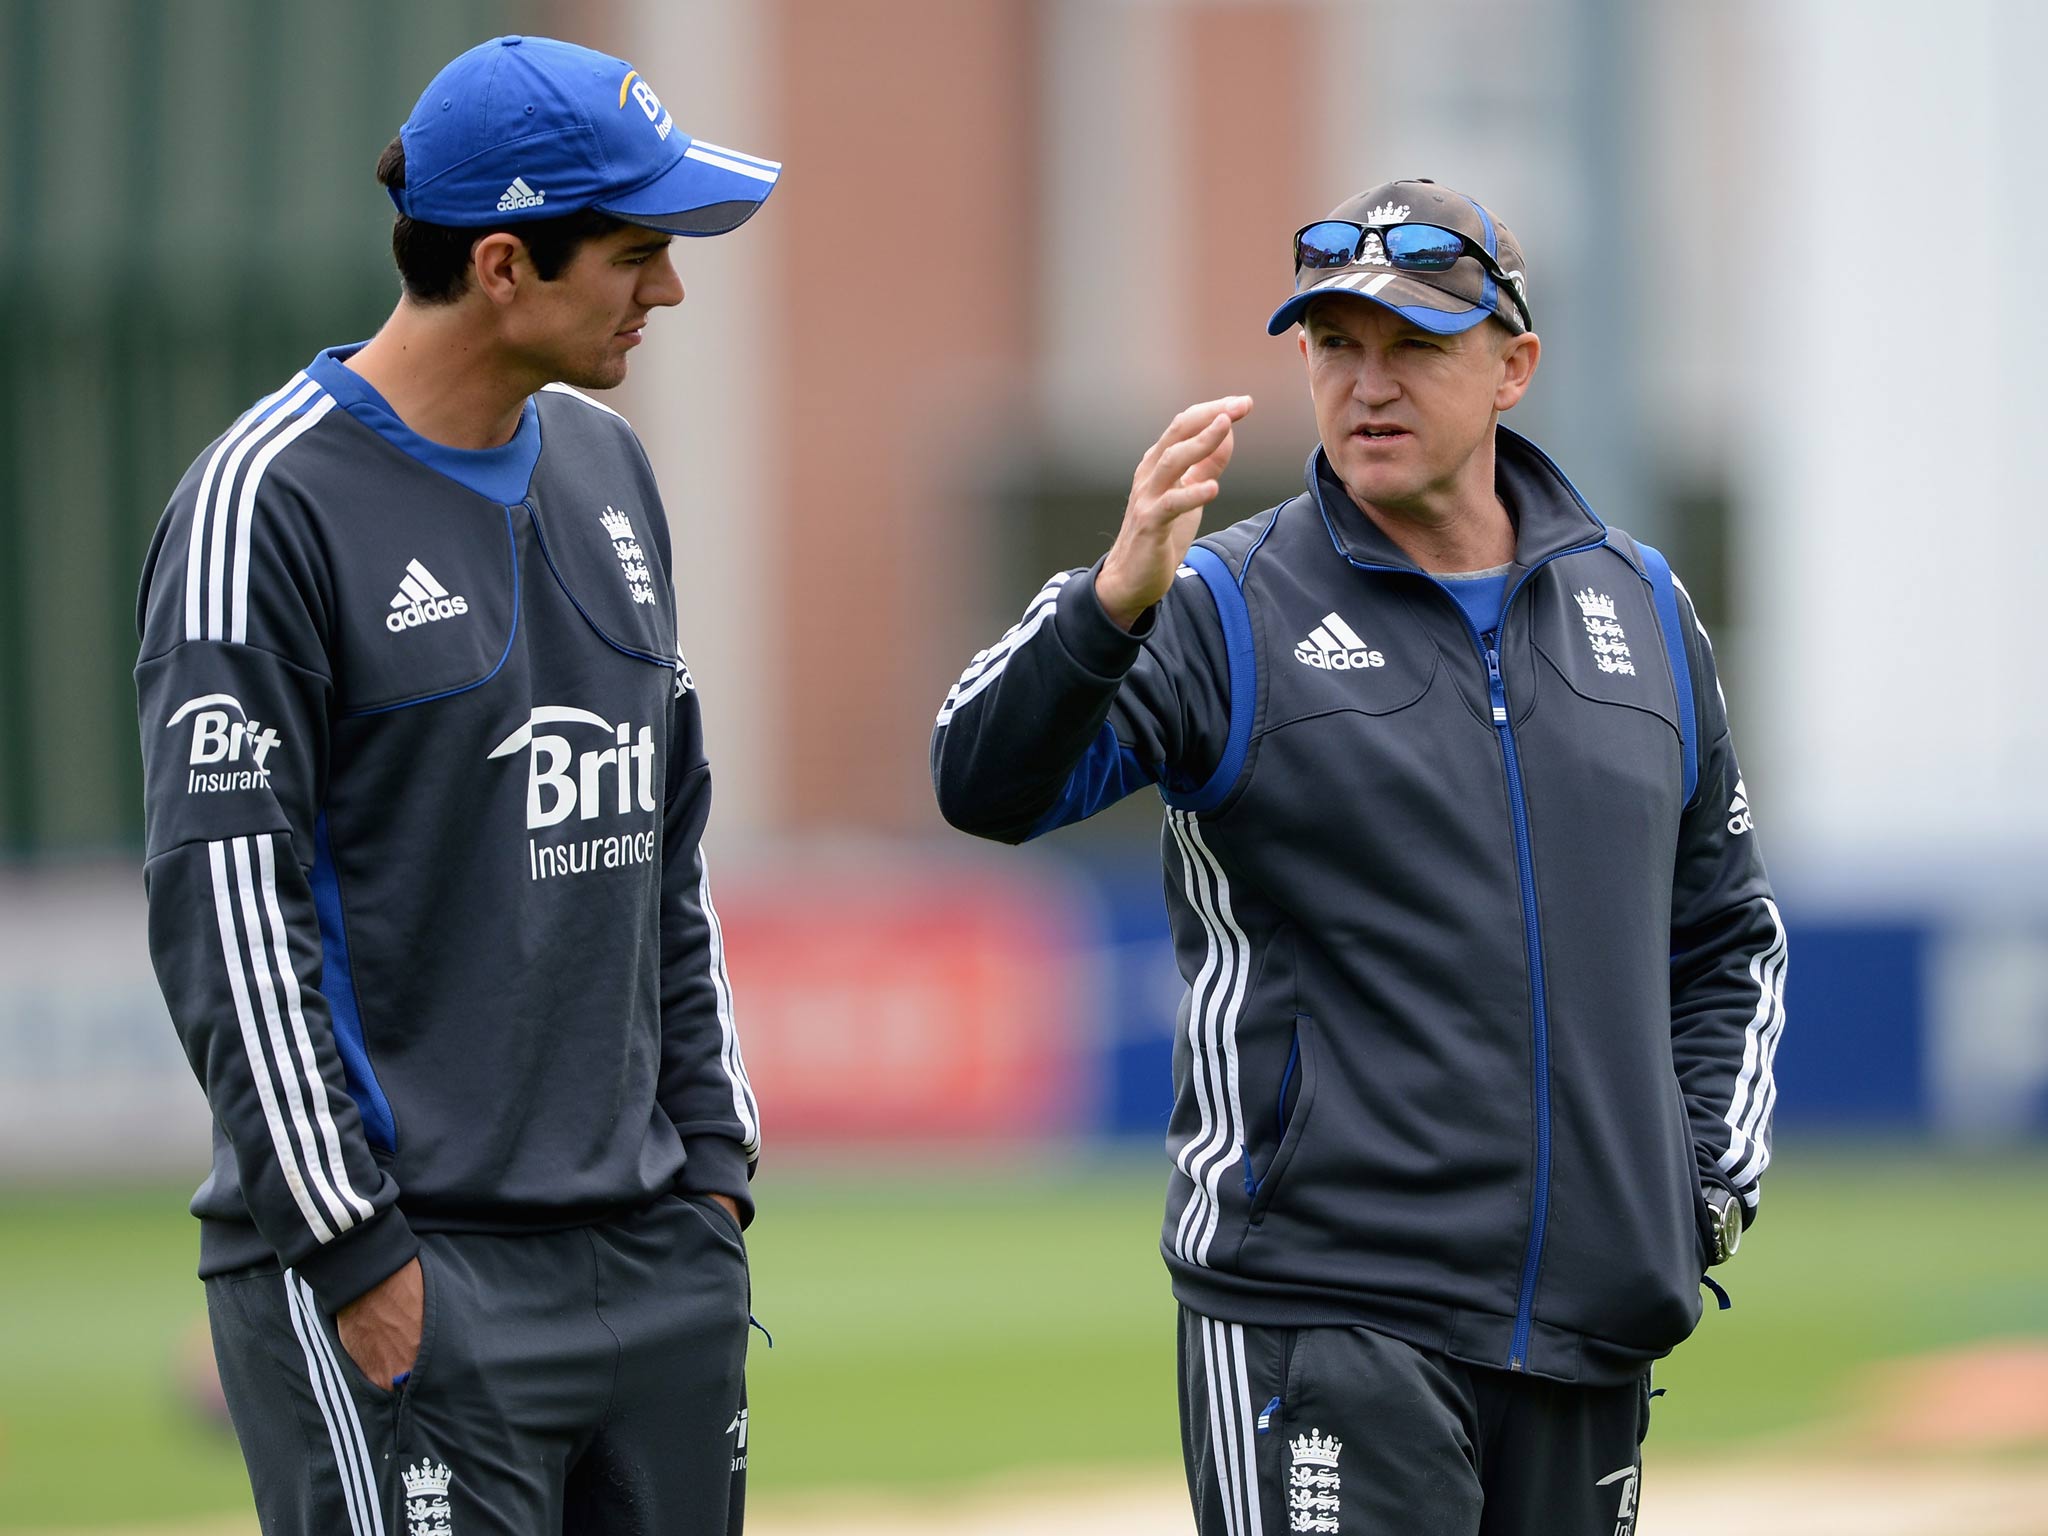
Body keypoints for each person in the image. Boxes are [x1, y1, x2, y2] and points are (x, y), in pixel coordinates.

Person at [931, 178, 1784, 1534]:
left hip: (1590, 1327)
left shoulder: (1642, 606)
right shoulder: (1218, 602)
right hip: (1322, 1316)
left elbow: (1724, 933)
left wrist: (1699, 1187)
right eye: (1336, 348)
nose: (1367, 385)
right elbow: (982, 782)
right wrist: (1109, 601)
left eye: (1415, 348)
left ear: (1514, 368)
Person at [134, 36, 774, 1535]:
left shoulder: (612, 469)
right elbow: (230, 917)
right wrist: (356, 1250)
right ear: (501, 263)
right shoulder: (263, 506)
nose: (666, 291)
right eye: (635, 253)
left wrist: (716, 1175)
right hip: (416, 1276)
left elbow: (666, 854)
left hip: (655, 1263)